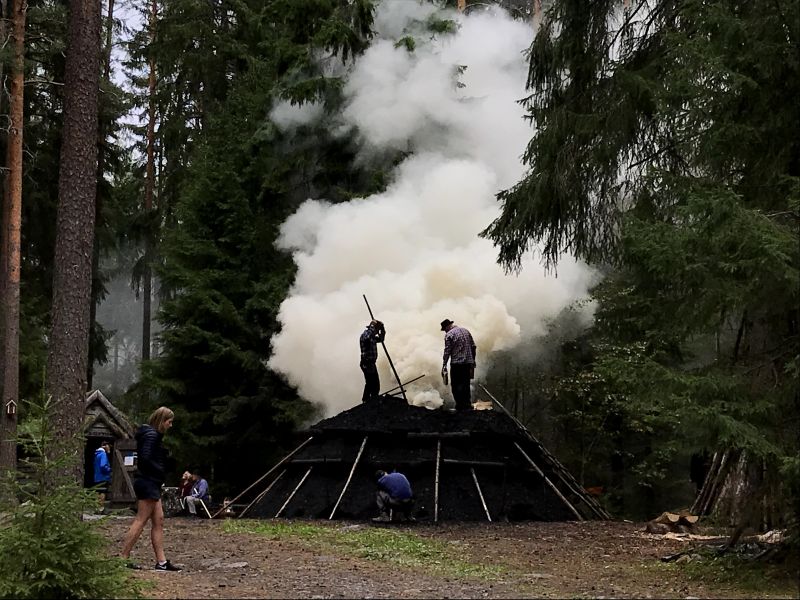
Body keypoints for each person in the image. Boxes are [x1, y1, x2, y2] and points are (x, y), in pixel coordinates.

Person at [120, 406, 182, 571]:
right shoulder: (151, 436)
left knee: (159, 521)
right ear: (162, 421)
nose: (170, 425)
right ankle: (122, 558)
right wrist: (161, 469)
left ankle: (161, 562)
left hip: (152, 482)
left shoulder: (152, 436)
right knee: (141, 520)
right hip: (148, 482)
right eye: (169, 422)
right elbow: (146, 458)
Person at [440, 318, 477, 411]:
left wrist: (444, 364)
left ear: (447, 327)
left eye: (444, 329)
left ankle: (460, 405)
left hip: (456, 364)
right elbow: (473, 346)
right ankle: (467, 405)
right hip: (468, 363)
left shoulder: (449, 335)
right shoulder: (466, 331)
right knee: (466, 384)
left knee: (456, 385)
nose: (445, 331)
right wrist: (473, 360)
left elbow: (447, 351)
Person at [360, 319, 386, 402]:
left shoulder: (373, 337)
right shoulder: (366, 334)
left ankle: (372, 399)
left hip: (371, 363)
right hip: (366, 363)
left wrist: (383, 330)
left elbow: (381, 339)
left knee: (374, 384)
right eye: (377, 330)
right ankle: (366, 400)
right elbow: (367, 337)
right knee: (371, 383)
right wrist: (373, 326)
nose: (376, 332)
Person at [93, 440, 112, 511]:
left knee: (97, 492)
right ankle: (101, 509)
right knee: (102, 492)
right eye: (109, 446)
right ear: (106, 446)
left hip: (97, 477)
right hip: (103, 477)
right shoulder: (103, 454)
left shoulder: (97, 454)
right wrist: (109, 469)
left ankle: (96, 508)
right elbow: (103, 465)